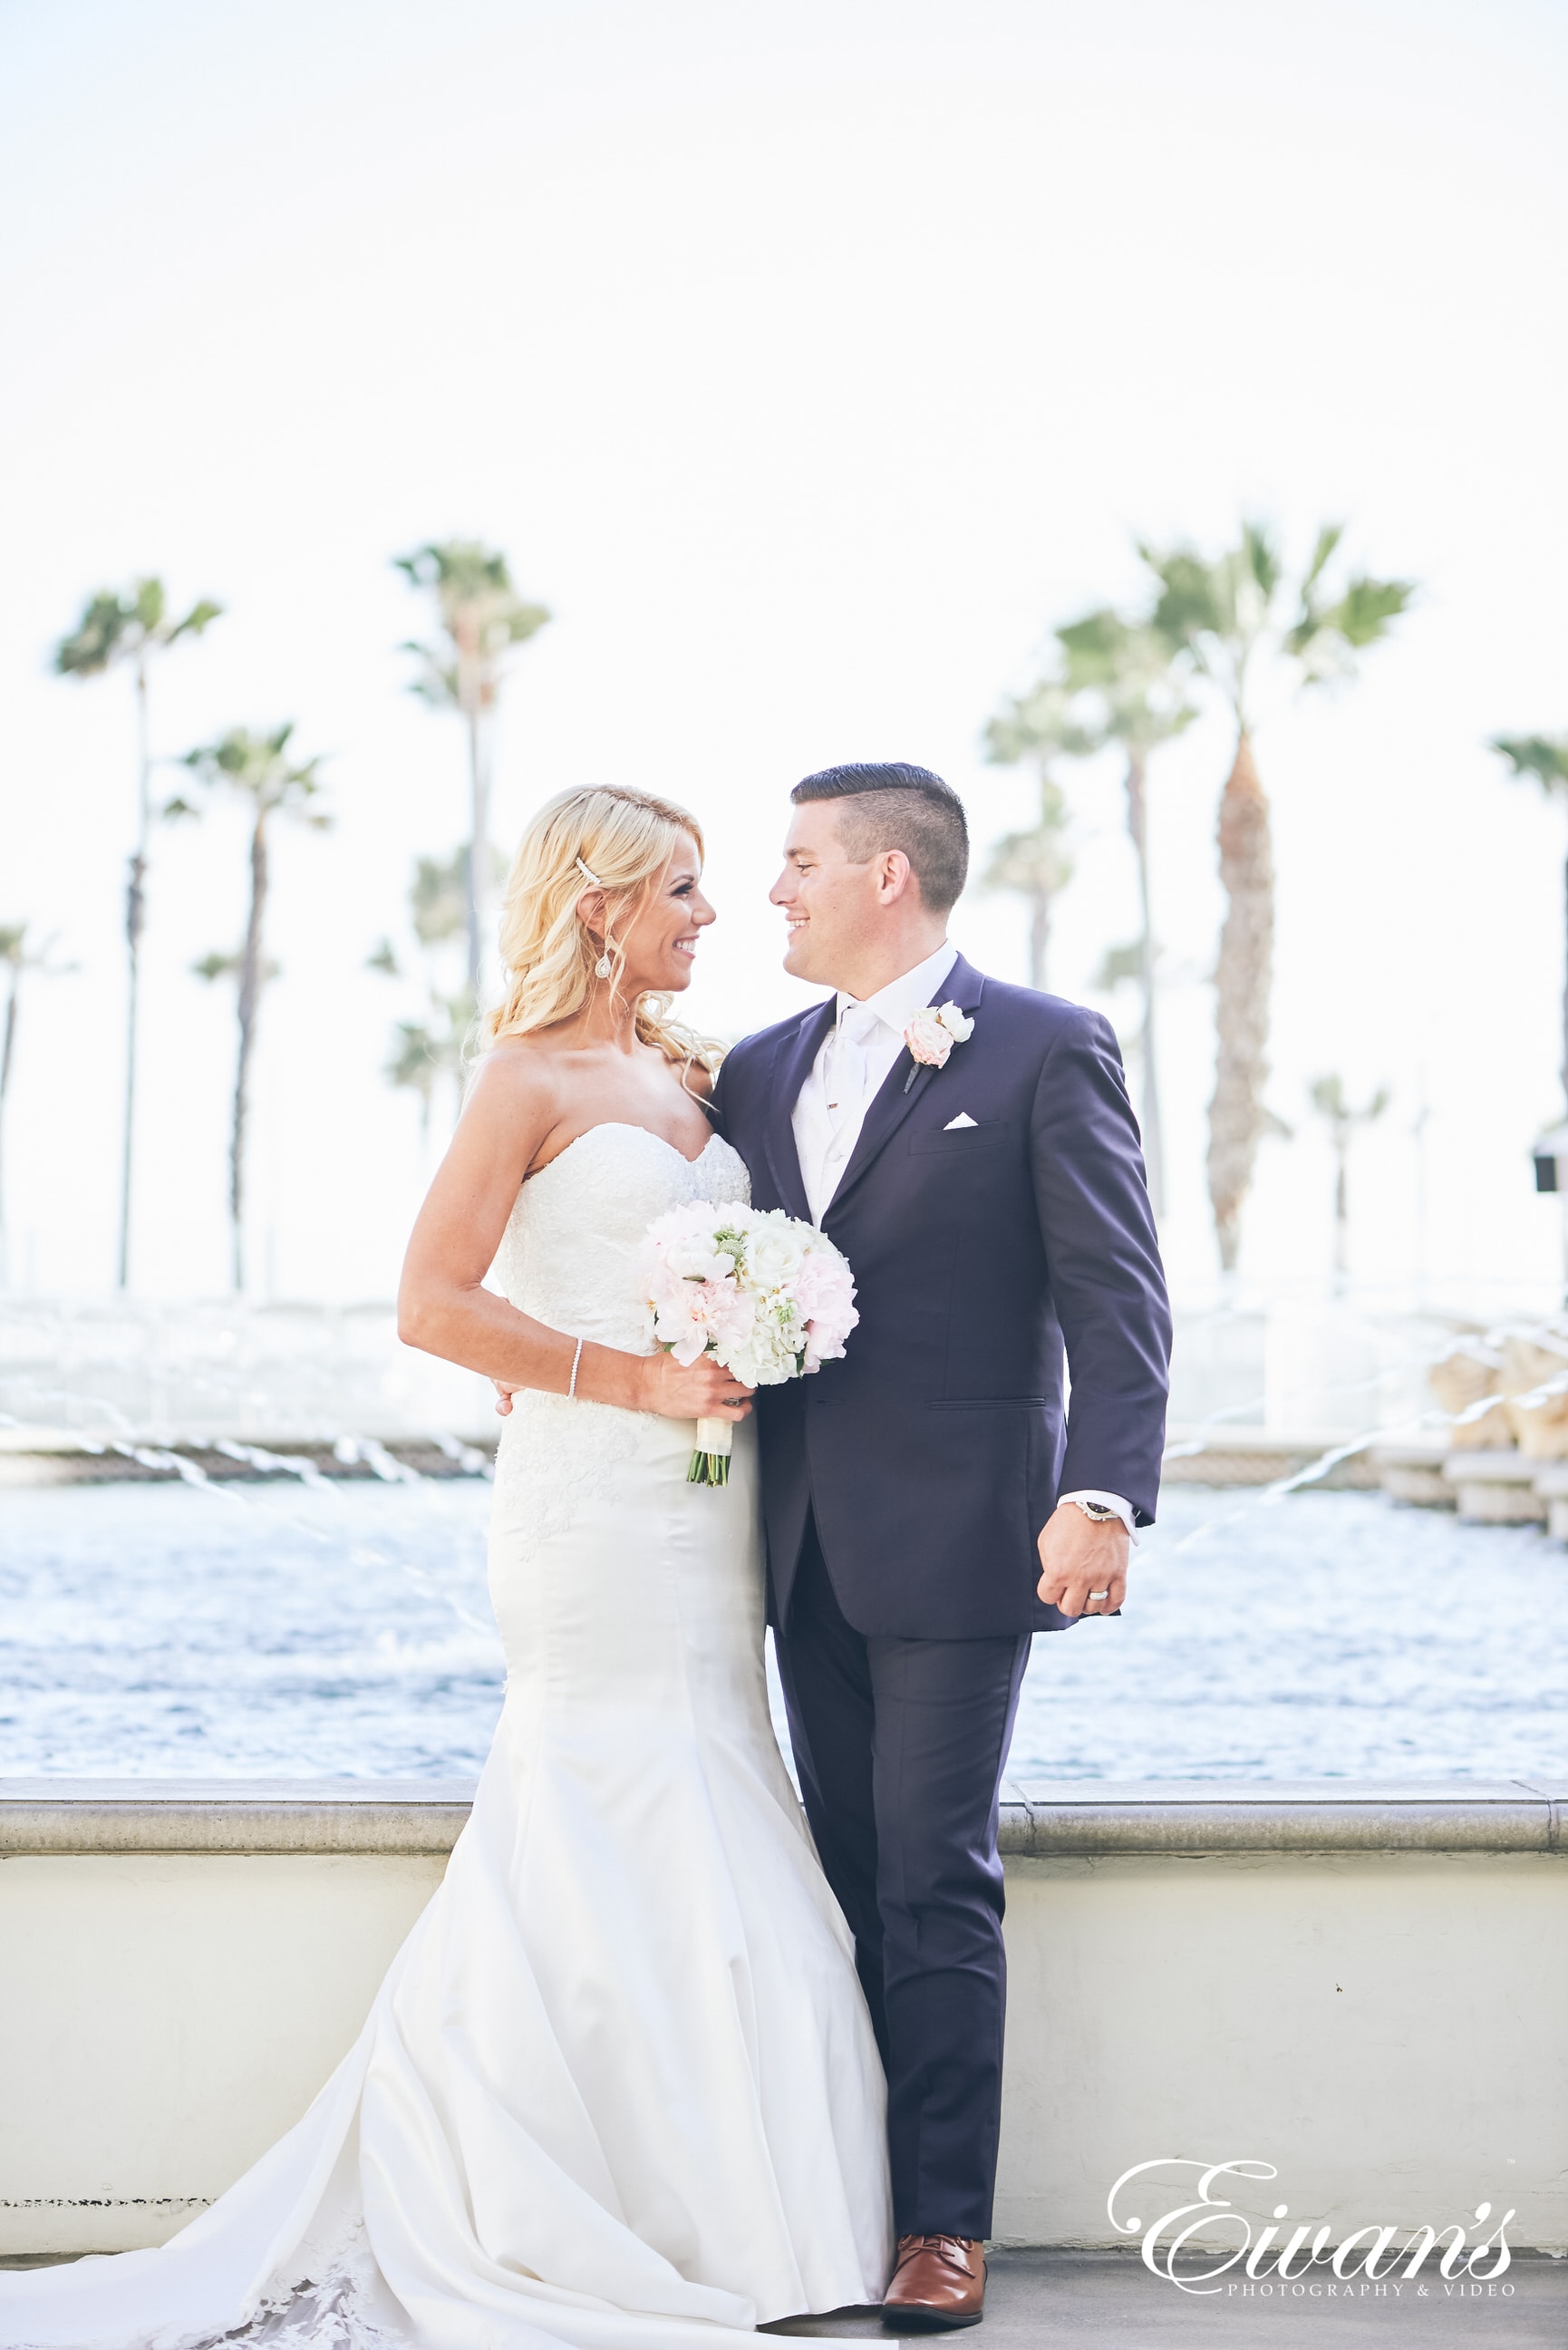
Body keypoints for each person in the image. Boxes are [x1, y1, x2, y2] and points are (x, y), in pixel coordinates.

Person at [0, 785, 892, 2348]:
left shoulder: (694, 1079)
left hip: (708, 1514)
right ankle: (546, 2201)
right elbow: (429, 1301)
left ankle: (743, 2223)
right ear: (598, 905)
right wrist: (631, 1382)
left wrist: (744, 1335)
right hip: (590, 1512)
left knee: (718, 1789)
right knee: (604, 1802)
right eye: (679, 889)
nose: (711, 913)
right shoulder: (524, 1078)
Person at [711, 762, 1172, 2331]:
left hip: (970, 1535)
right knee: (836, 1878)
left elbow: (1119, 1299)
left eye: (796, 861)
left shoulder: (1046, 1046)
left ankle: (940, 2230)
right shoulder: (755, 1070)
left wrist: (1101, 1496)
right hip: (787, 1546)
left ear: (886, 876)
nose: (773, 889)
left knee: (933, 1875)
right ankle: (837, 2197)